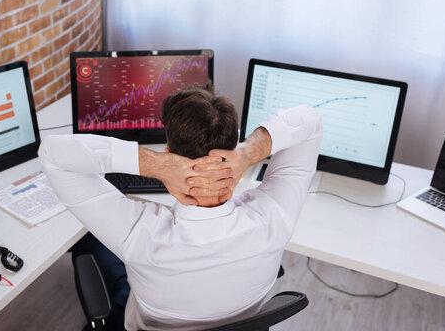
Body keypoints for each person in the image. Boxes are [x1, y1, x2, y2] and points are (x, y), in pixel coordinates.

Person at [38, 85, 322, 330]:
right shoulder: (275, 216)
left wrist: (155, 165)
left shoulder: (141, 236)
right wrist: (248, 153)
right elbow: (310, 121)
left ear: (170, 152)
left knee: (92, 248)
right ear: (233, 144)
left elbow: (52, 154)